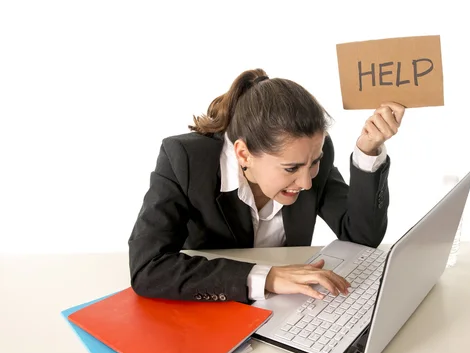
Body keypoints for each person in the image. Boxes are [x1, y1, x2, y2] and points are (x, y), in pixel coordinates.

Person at [128, 68, 405, 305]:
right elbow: (148, 269)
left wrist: (368, 151)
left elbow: (361, 236)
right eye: (291, 169)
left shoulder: (308, 154)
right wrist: (268, 277)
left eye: (314, 163)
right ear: (244, 154)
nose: (307, 182)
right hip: (215, 306)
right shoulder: (184, 159)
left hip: (291, 307)